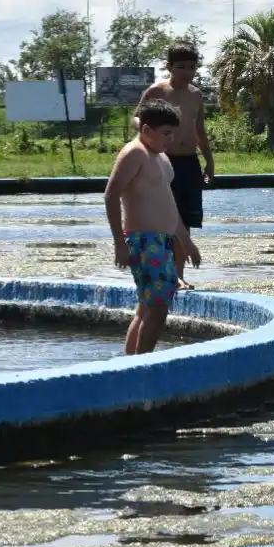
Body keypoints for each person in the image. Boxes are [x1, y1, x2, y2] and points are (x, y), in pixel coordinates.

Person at [104, 99, 202, 356]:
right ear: (147, 130)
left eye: (173, 133)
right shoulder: (134, 153)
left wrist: (186, 241)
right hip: (144, 241)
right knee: (158, 310)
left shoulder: (159, 157)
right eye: (166, 133)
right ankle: (143, 364)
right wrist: (119, 243)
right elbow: (111, 195)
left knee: (146, 308)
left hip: (162, 241)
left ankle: (130, 363)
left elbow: (168, 205)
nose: (171, 139)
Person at [136, 39, 214, 291]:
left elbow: (200, 129)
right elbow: (136, 118)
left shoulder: (196, 94)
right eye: (181, 67)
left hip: (189, 161)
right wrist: (147, 135)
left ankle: (179, 275)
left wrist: (209, 160)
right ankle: (162, 271)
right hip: (165, 161)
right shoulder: (156, 91)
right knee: (167, 218)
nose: (186, 73)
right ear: (169, 66)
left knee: (186, 221)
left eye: (191, 67)